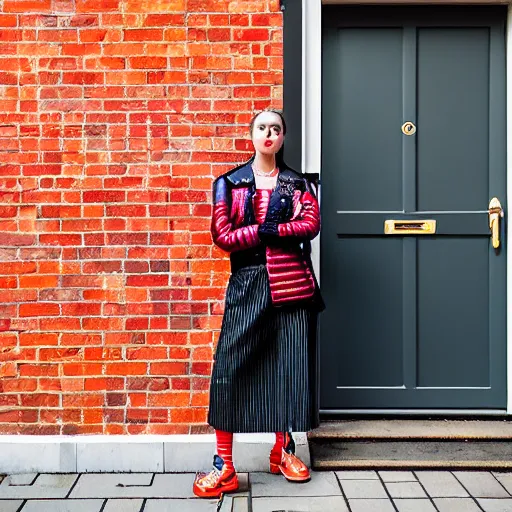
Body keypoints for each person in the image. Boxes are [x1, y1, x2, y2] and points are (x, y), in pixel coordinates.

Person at [193, 109, 324, 499]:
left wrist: (269, 229)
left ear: (283, 137)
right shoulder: (229, 183)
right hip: (248, 282)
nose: (269, 134)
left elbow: (311, 224)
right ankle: (224, 464)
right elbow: (222, 233)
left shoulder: (296, 182)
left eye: (276, 129)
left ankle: (283, 450)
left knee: (288, 365)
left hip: (292, 285)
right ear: (251, 135)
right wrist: (269, 231)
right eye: (262, 128)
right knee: (230, 367)